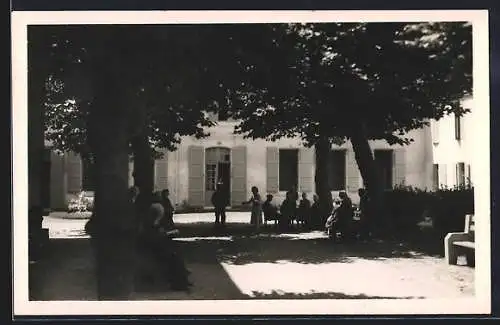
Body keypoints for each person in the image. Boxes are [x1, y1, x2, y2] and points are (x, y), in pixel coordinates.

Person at [139, 191, 192, 291]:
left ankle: (183, 280)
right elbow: (155, 238)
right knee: (175, 257)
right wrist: (168, 234)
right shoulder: (151, 224)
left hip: (156, 247)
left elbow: (158, 235)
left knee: (177, 253)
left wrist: (167, 233)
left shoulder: (151, 223)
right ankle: (180, 283)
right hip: (155, 249)